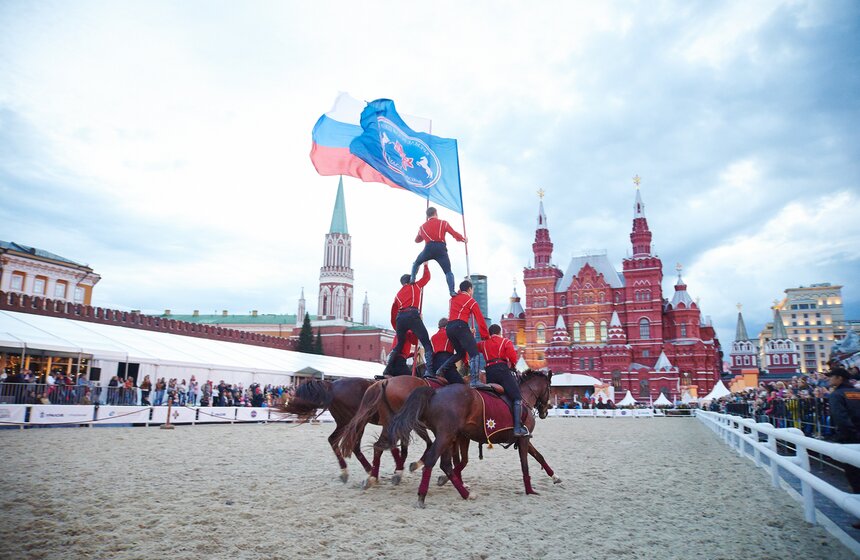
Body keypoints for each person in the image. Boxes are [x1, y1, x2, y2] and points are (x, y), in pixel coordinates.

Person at [436, 279, 489, 388]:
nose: (472, 292)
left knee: (460, 353)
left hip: (450, 328)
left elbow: (455, 316)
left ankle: (441, 369)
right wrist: (485, 336)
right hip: (461, 326)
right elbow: (480, 319)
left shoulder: (452, 299)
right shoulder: (471, 301)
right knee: (474, 353)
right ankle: (475, 380)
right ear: (469, 289)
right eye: (472, 290)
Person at [478, 323, 529, 437]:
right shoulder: (505, 342)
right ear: (500, 332)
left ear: (490, 333)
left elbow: (473, 347)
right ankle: (517, 428)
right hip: (502, 371)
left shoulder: (483, 344)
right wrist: (512, 365)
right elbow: (512, 357)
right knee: (516, 397)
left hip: (489, 373)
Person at [383, 263, 433, 376]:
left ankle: (387, 369)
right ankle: (430, 371)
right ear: (411, 279)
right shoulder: (415, 286)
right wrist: (426, 265)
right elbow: (427, 277)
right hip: (412, 315)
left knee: (399, 344)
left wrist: (397, 325)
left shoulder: (398, 294)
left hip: (400, 318)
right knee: (426, 342)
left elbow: (393, 313)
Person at [410, 206, 466, 297]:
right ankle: (452, 291)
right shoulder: (443, 223)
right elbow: (454, 234)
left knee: (416, 263)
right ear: (436, 213)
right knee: (448, 271)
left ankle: (412, 278)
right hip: (441, 249)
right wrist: (463, 239)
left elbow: (417, 240)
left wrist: (423, 234)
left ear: (427, 216)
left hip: (428, 248)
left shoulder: (422, 227)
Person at [827, 367, 860, 498]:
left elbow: (840, 418)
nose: (829, 379)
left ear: (839, 378)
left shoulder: (836, 395)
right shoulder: (857, 392)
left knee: (854, 474)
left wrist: (853, 435)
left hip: (849, 439)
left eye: (831, 377)